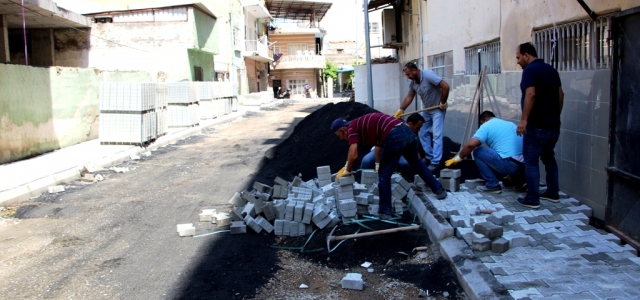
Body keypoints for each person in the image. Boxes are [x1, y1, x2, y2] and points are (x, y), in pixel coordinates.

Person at [331, 113, 447, 218]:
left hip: (394, 135)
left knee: (384, 175)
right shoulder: (360, 123)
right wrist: (376, 163)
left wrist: (347, 170)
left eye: (339, 136)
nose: (341, 139)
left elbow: (354, 154)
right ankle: (439, 190)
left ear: (343, 130)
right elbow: (378, 146)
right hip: (407, 131)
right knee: (417, 163)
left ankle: (385, 211)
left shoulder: (352, 128)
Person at [515, 42, 564, 209]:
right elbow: (560, 95)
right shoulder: (551, 70)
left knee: (531, 160)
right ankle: (552, 192)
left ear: (526, 55)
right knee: (549, 157)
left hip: (536, 126)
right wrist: (555, 116)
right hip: (553, 126)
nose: (518, 62)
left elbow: (531, 94)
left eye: (518, 57)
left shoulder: (530, 71)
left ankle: (533, 198)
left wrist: (524, 120)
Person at [445, 111, 525, 194]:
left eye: (481, 123)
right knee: (501, 153)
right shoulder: (510, 124)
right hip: (523, 166)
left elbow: (470, 145)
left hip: (510, 165)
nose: (481, 126)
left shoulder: (487, 125)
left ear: (485, 119)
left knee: (478, 151)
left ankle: (492, 184)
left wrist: (458, 158)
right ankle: (520, 180)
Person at [394, 62, 450, 171]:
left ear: (414, 71)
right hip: (426, 110)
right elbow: (410, 96)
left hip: (438, 109)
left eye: (408, 74)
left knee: (437, 135)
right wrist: (401, 109)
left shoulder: (429, 76)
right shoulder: (413, 83)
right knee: (422, 132)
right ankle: (429, 157)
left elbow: (445, 86)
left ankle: (436, 162)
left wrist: (443, 102)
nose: (408, 77)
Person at [360, 113, 426, 178]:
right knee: (366, 161)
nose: (418, 130)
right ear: (410, 124)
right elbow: (378, 147)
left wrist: (418, 166)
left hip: (398, 152)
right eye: (417, 128)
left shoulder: (413, 134)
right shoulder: (394, 127)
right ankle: (361, 179)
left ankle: (406, 181)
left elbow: (416, 151)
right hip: (382, 149)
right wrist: (378, 165)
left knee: (405, 164)